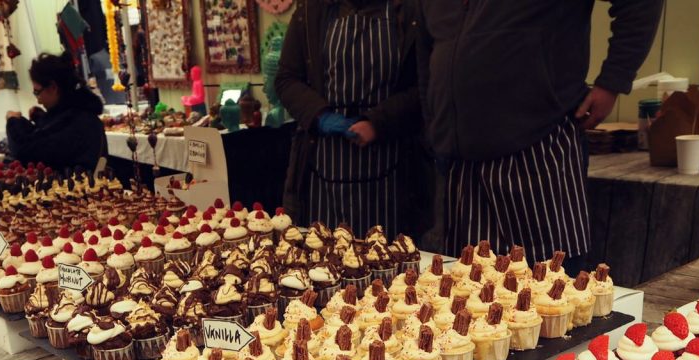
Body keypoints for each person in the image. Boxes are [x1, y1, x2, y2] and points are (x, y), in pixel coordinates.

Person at [417, 1, 663, 267]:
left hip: (537, 147)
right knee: (469, 291)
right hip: (458, 165)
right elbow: (426, 53)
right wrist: (434, 124)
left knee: (550, 287)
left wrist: (613, 81)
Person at [275, 0, 427, 237]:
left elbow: (423, 87)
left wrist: (378, 122)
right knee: (323, 256)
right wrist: (321, 116)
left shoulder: (409, 13)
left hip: (390, 168)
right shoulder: (310, 13)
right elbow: (286, 79)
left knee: (388, 258)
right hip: (324, 165)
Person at [6, 52, 107, 173]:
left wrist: (13, 122)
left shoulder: (77, 122)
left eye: (37, 92)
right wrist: (41, 118)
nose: (38, 100)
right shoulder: (77, 113)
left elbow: (27, 152)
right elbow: (52, 136)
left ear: (53, 87)